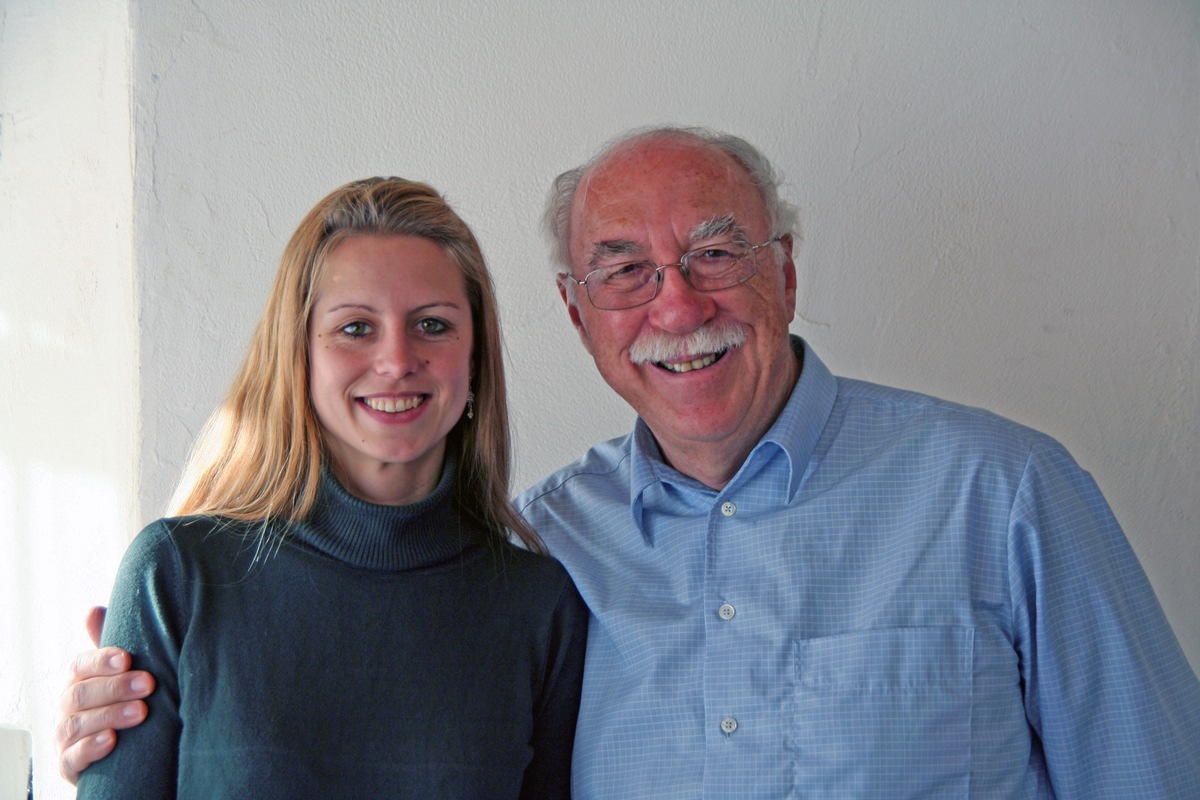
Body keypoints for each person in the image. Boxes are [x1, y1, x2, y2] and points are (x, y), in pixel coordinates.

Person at [60, 129, 1200, 797]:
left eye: (717, 252)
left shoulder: (1001, 493)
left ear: (787, 274)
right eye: (624, 270)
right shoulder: (554, 543)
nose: (680, 303)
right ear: (574, 313)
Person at [70, 177, 587, 798]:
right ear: (299, 355)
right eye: (356, 328)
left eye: (432, 324)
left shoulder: (540, 604)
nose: (396, 360)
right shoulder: (178, 575)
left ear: (474, 358)